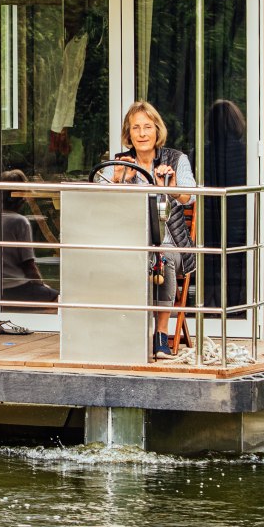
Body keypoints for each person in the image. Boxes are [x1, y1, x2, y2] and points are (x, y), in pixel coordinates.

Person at [96, 101, 197, 355]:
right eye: (136, 128)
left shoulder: (176, 159)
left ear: (157, 130)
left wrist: (171, 184)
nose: (142, 134)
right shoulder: (120, 163)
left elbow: (191, 197)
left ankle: (160, 334)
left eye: (147, 127)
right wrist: (119, 180)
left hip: (170, 244)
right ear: (128, 134)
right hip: (131, 243)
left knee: (162, 257)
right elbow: (97, 196)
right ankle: (120, 332)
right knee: (112, 259)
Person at [0, 169, 58, 305]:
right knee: (59, 300)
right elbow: (28, 265)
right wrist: (41, 285)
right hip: (16, 287)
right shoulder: (19, 221)